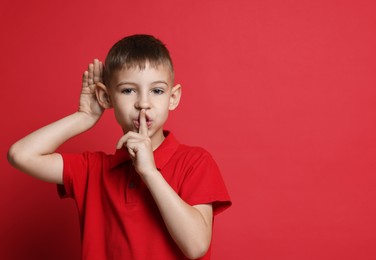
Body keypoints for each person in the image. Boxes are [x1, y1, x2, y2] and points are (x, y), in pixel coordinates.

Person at [7, 34, 231, 259]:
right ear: (106, 97)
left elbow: (196, 246)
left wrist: (150, 172)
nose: (143, 103)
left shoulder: (195, 162)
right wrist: (84, 117)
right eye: (128, 90)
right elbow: (21, 155)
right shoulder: (92, 169)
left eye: (157, 91)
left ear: (173, 97)